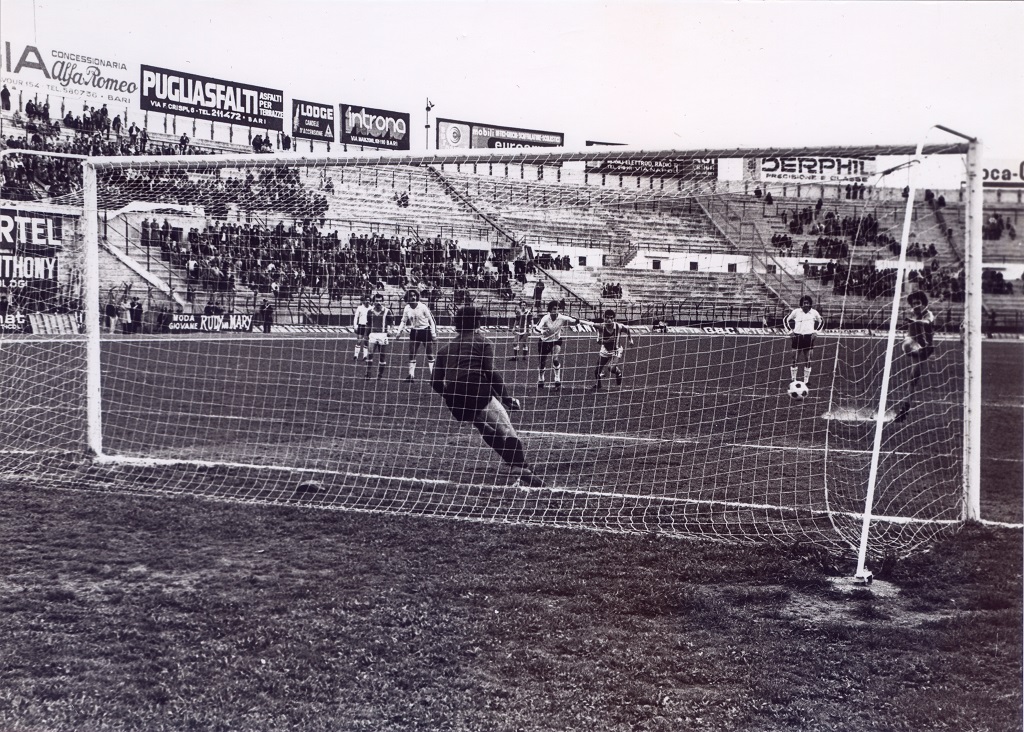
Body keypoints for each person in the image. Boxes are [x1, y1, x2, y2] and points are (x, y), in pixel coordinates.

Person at [431, 305, 543, 488]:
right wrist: (506, 399)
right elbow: (490, 373)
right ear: (477, 322)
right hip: (476, 388)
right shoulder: (482, 342)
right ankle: (520, 466)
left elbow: (435, 382)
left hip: (454, 398)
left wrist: (451, 395)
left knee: (486, 429)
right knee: (506, 429)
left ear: (457, 324)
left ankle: (515, 463)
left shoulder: (444, 349)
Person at [895, 290, 935, 422]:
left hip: (924, 347)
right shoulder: (912, 314)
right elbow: (910, 335)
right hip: (913, 344)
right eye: (913, 304)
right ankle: (917, 351)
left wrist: (915, 321)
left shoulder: (928, 314)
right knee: (906, 345)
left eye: (918, 303)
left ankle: (904, 409)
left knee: (913, 380)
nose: (916, 305)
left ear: (923, 303)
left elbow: (927, 323)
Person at [533, 300, 586, 392]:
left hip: (556, 341)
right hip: (544, 341)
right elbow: (535, 329)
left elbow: (573, 320)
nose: (556, 311)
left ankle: (557, 380)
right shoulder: (545, 318)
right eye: (554, 309)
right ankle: (541, 378)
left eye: (558, 309)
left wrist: (581, 321)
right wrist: (542, 331)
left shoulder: (562, 317)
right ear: (550, 310)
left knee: (555, 359)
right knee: (542, 363)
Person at [393, 289, 437, 381]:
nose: (413, 297)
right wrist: (398, 332)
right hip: (414, 332)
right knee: (412, 353)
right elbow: (403, 321)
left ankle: (434, 376)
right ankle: (411, 376)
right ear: (407, 298)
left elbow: (431, 321)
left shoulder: (423, 307)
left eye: (414, 295)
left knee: (429, 354)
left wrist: (433, 334)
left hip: (425, 331)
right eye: (411, 296)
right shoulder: (407, 308)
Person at [588, 309, 636, 391]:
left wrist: (630, 340)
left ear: (614, 318)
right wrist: (607, 341)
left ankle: (618, 372)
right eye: (607, 318)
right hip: (605, 350)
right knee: (597, 371)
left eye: (611, 318)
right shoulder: (601, 327)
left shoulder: (618, 326)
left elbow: (627, 330)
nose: (609, 320)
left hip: (616, 350)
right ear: (604, 318)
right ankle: (598, 385)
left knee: (611, 368)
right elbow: (598, 341)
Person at [784, 295, 824, 385]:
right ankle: (793, 379)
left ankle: (806, 381)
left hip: (808, 338)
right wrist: (790, 331)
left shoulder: (814, 313)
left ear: (810, 304)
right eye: (804, 303)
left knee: (808, 359)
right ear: (801, 304)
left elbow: (822, 321)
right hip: (797, 337)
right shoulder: (796, 312)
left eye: (807, 303)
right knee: (794, 359)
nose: (805, 304)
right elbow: (785, 319)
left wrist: (816, 332)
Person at [364, 292, 394, 380]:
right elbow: (368, 324)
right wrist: (366, 336)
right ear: (373, 302)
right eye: (376, 300)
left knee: (382, 355)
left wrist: (390, 331)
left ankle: (380, 375)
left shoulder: (387, 311)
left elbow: (392, 323)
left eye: (380, 301)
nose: (378, 302)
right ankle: (368, 373)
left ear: (383, 301)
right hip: (373, 335)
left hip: (383, 335)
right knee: (370, 354)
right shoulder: (370, 312)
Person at [352, 294, 371, 361]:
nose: (367, 301)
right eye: (366, 300)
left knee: (366, 341)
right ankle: (356, 355)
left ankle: (365, 356)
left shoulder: (371, 308)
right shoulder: (360, 308)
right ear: (364, 301)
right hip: (361, 325)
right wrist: (355, 326)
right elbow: (356, 317)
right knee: (359, 341)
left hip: (367, 326)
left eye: (369, 300)